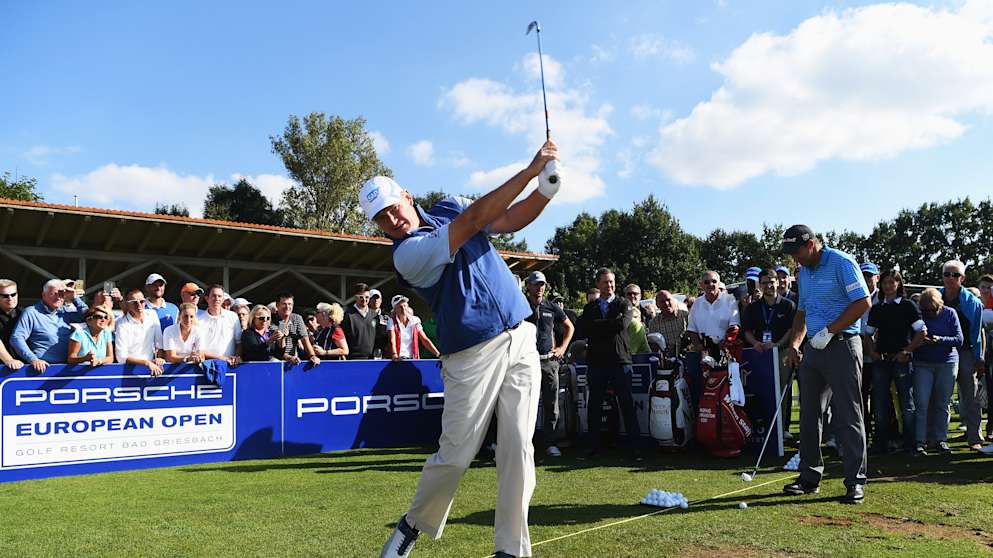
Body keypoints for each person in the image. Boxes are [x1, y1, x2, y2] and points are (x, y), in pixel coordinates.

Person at [368, 139, 558, 558]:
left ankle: (511, 550)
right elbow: (475, 221)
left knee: (518, 448)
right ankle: (412, 525)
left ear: (406, 195)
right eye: (380, 218)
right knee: (456, 455)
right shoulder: (407, 255)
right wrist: (529, 171)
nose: (391, 219)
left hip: (520, 335)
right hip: (471, 354)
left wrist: (544, 191)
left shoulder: (448, 205)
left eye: (391, 206)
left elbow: (507, 219)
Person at [780, 225, 870, 505]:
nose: (795, 260)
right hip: (814, 350)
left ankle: (855, 482)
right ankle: (809, 477)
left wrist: (830, 330)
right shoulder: (804, 272)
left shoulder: (842, 262)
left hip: (842, 344)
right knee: (808, 413)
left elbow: (862, 302)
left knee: (848, 414)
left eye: (796, 253)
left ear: (810, 244)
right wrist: (795, 343)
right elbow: (802, 313)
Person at [579, 267, 642, 458]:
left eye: (612, 281)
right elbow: (584, 329)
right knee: (595, 405)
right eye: (606, 282)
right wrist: (609, 324)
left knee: (626, 403)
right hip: (597, 362)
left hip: (620, 360)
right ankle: (593, 445)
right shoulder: (590, 307)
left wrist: (598, 326)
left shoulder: (624, 303)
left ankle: (635, 447)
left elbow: (622, 325)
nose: (610, 285)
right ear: (598, 283)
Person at [864, 269, 926, 454]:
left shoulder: (908, 306)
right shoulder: (877, 308)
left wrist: (907, 351)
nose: (888, 286)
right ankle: (881, 443)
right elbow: (868, 334)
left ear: (899, 284)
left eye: (892, 282)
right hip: (881, 360)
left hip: (902, 360)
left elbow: (921, 332)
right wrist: (872, 352)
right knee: (880, 403)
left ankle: (911, 444)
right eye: (885, 282)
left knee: (907, 404)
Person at [522, 271, 573, 458]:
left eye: (542, 284)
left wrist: (562, 348)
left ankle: (550, 443)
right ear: (528, 286)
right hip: (526, 362)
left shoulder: (551, 307)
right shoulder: (520, 306)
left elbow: (570, 327)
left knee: (552, 404)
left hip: (548, 362)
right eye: (536, 284)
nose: (539, 287)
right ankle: (525, 443)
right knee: (525, 404)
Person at [937, 260, 985, 450]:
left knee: (970, 395)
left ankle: (974, 437)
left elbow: (976, 332)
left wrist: (978, 358)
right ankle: (938, 438)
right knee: (941, 396)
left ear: (962, 278)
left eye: (955, 275)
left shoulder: (972, 302)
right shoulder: (934, 297)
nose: (950, 278)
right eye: (946, 274)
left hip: (965, 352)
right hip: (940, 352)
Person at [741, 269, 797, 434]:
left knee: (782, 391)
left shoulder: (788, 305)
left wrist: (778, 344)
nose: (769, 286)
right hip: (759, 353)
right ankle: (762, 425)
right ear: (760, 285)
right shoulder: (753, 308)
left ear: (777, 282)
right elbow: (747, 331)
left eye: (771, 282)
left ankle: (782, 428)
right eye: (764, 283)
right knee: (760, 389)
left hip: (781, 352)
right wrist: (756, 343)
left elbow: (791, 330)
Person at [912, 288, 962, 454]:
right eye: (926, 310)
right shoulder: (918, 314)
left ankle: (941, 439)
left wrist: (939, 340)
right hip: (922, 363)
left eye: (933, 310)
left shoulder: (950, 313)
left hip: (947, 363)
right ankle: (920, 441)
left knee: (942, 403)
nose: (930, 314)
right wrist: (919, 341)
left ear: (940, 305)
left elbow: (959, 339)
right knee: (921, 404)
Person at [10, 279, 86, 372]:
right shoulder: (31, 312)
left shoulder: (64, 312)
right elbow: (16, 338)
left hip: (66, 369)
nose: (58, 297)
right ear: (44, 295)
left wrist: (75, 298)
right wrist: (33, 359)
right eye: (54, 294)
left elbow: (87, 316)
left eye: (62, 294)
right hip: (43, 369)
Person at [115, 288, 165, 375]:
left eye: (142, 301)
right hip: (128, 370)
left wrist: (159, 358)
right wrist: (146, 363)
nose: (139, 305)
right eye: (134, 302)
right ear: (127, 304)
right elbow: (121, 357)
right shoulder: (121, 323)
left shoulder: (152, 314)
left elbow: (159, 343)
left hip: (151, 369)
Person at [271, 293, 320, 367]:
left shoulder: (297, 318)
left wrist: (312, 356)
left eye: (290, 304)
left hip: (293, 359)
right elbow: (275, 349)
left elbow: (305, 340)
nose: (287, 307)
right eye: (284, 304)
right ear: (277, 305)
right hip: (274, 360)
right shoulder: (271, 320)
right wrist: (289, 357)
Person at [196, 285, 241, 365]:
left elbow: (239, 342)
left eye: (220, 296)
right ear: (207, 298)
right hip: (207, 365)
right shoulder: (198, 319)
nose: (217, 299)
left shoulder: (233, 316)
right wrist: (223, 358)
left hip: (230, 365)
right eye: (214, 296)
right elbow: (199, 350)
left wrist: (236, 357)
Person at [388, 295, 440, 360]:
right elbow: (392, 340)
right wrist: (394, 355)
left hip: (413, 358)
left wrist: (437, 354)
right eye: (400, 307)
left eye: (405, 306)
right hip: (398, 359)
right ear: (395, 309)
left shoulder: (415, 320)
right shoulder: (391, 321)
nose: (403, 308)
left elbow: (424, 339)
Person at [647, 290, 689, 358]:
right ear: (657, 305)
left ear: (674, 301)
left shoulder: (686, 316)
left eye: (668, 300)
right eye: (662, 302)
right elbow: (654, 346)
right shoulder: (654, 323)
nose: (666, 303)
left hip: (686, 356)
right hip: (667, 360)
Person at [341, 283, 377, 359]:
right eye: (361, 297)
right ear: (355, 297)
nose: (364, 300)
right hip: (352, 359)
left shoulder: (375, 315)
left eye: (367, 297)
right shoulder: (347, 315)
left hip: (372, 359)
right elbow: (342, 338)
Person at [0, 279, 25, 370]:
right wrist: (9, 360)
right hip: (3, 368)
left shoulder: (24, 313)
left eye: (13, 294)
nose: (10, 299)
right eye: (5, 296)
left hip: (25, 365)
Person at [623, 283, 650, 354]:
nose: (632, 296)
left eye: (635, 293)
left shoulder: (647, 314)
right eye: (629, 294)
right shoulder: (620, 313)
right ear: (625, 296)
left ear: (640, 296)